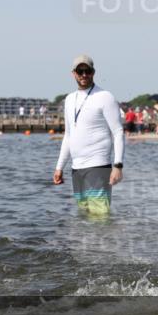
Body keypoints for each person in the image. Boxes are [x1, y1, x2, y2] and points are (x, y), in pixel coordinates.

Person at [53, 54, 124, 215]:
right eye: (80, 71)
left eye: (88, 71)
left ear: (93, 72)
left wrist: (118, 165)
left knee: (99, 216)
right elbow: (68, 136)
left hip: (98, 166)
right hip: (76, 168)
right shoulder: (70, 99)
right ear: (74, 73)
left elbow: (118, 132)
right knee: (84, 217)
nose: (84, 75)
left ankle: (105, 241)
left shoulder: (105, 97)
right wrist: (59, 167)